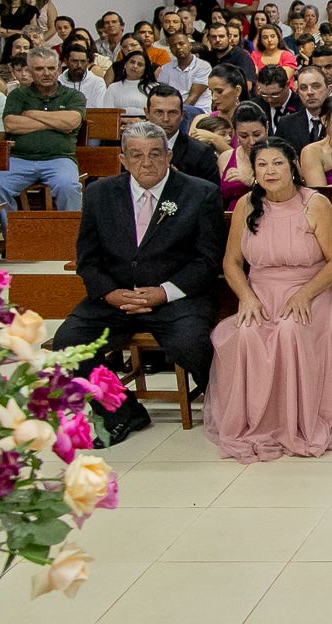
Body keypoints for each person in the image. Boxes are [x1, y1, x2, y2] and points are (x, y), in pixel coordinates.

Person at [51, 121, 226, 444]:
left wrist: (164, 292)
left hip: (176, 298)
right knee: (68, 344)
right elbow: (87, 259)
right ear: (123, 159)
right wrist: (110, 293)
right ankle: (121, 411)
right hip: (115, 298)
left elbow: (207, 259)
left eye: (155, 154)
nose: (147, 163)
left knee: (193, 343)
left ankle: (226, 406)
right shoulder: (99, 194)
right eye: (137, 155)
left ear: (169, 155)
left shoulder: (200, 193)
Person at [203, 137, 332, 461]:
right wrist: (246, 296)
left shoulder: (315, 204)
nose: (270, 171)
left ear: (293, 167)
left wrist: (304, 293)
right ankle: (259, 422)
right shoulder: (245, 205)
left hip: (314, 289)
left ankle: (298, 421)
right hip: (260, 292)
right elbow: (231, 262)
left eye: (278, 163)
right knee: (245, 333)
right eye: (262, 165)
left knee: (289, 331)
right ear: (254, 171)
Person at [0, 48, 85, 211]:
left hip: (59, 159)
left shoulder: (73, 95)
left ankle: (70, 236)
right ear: (30, 71)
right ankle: (15, 235)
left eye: (51, 68)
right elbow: (11, 124)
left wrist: (31, 114)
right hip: (20, 159)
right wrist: (56, 122)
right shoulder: (18, 95)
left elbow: (72, 122)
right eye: (39, 69)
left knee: (69, 187)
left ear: (59, 69)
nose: (46, 73)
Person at [141, 85, 219, 186]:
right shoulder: (132, 149)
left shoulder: (201, 152)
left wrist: (179, 179)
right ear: (147, 113)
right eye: (159, 112)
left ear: (182, 115)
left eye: (172, 113)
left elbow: (211, 194)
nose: (165, 119)